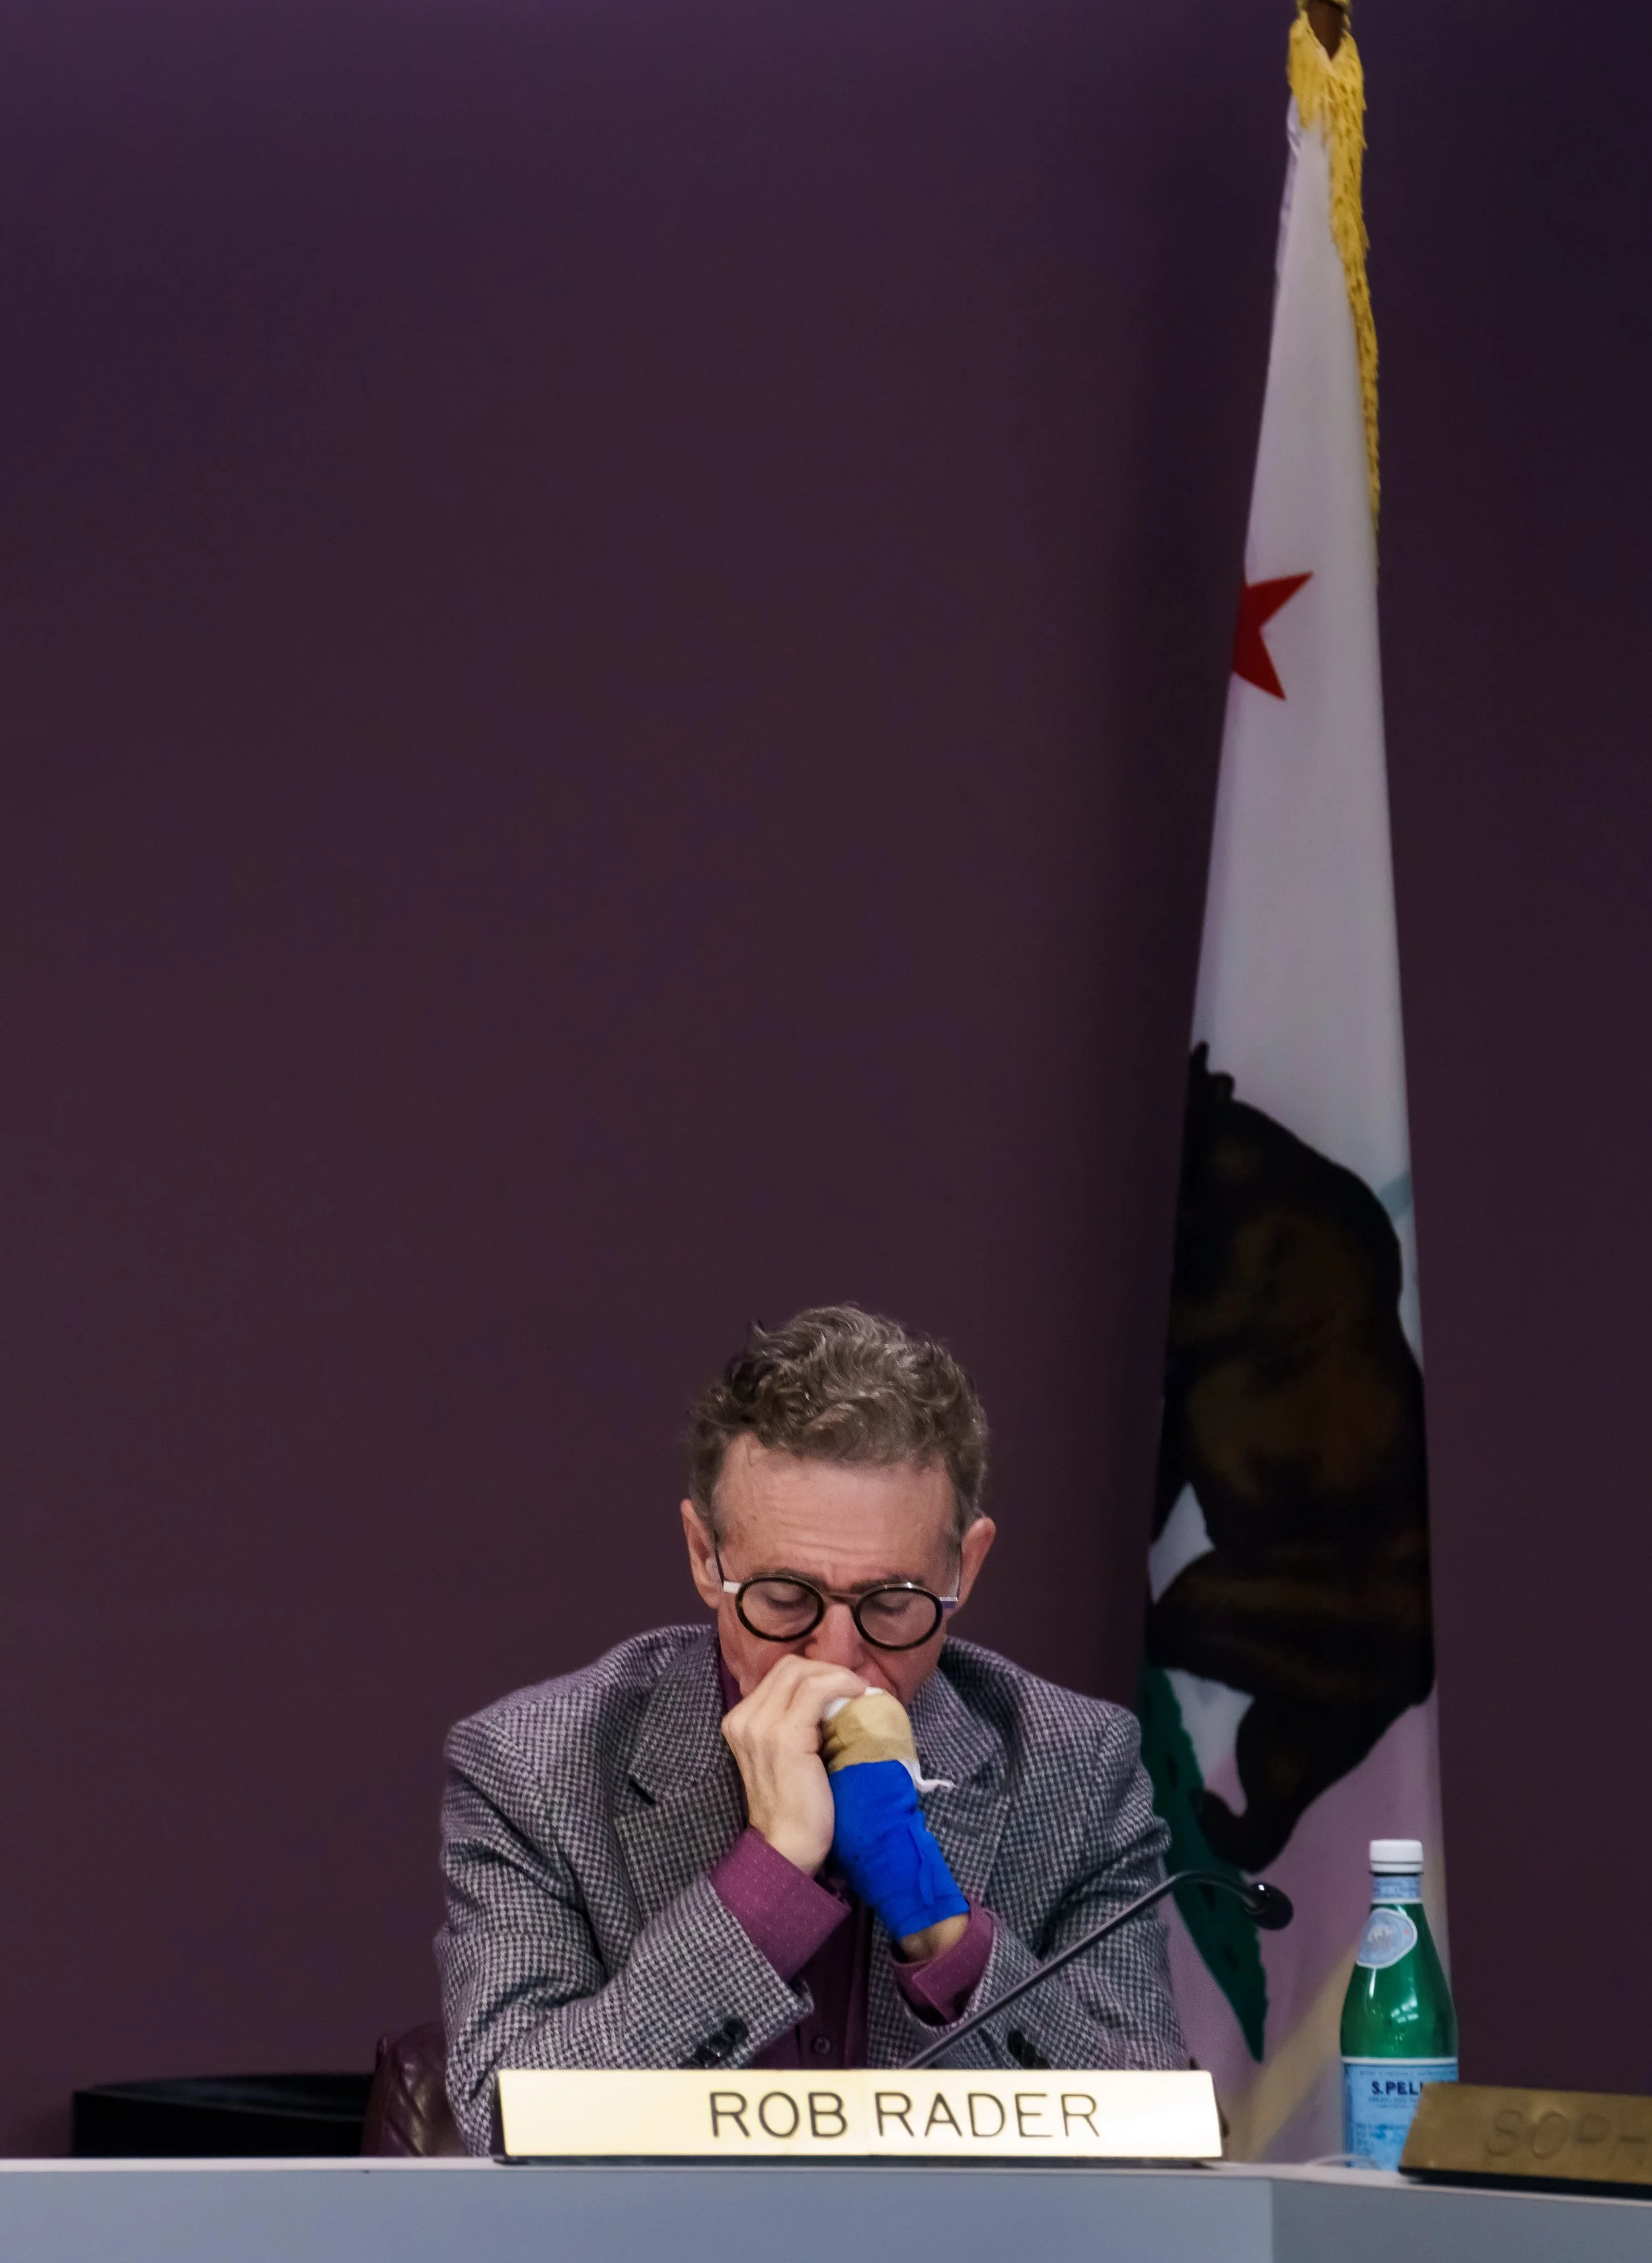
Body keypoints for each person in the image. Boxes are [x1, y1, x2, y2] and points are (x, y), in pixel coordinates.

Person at [437, 1305, 1185, 2152]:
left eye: (891, 1603)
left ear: (964, 1566)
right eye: (786, 1598)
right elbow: (508, 2120)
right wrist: (766, 1881)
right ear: (704, 1555)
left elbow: (1151, 2138)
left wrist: (936, 1922)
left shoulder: (1076, 1767)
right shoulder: (535, 1766)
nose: (837, 1657)